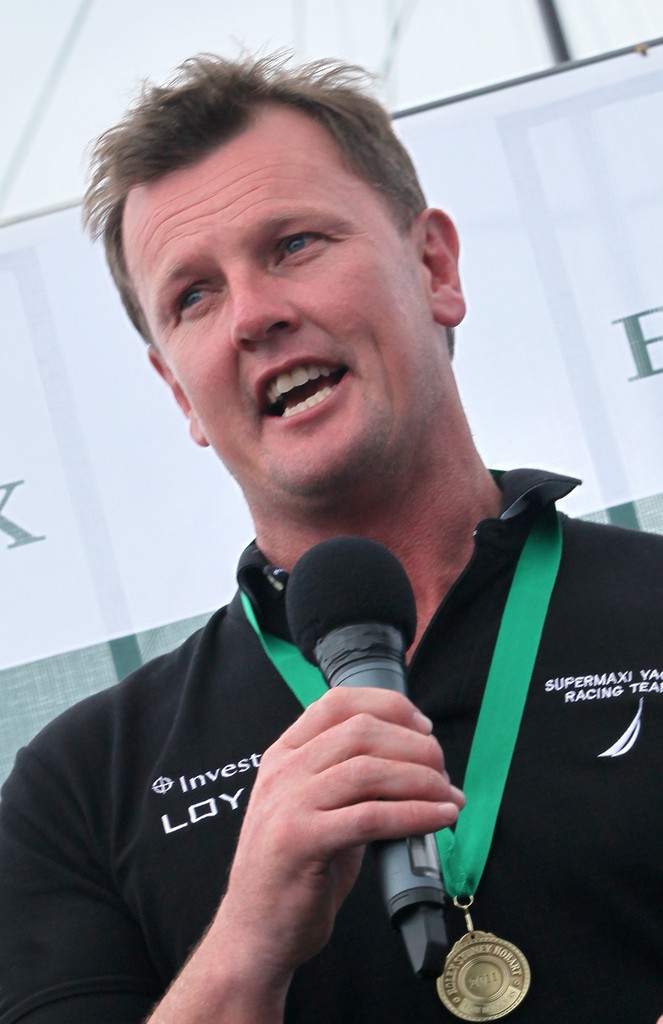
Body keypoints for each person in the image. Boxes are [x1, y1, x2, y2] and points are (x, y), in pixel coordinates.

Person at [0, 52, 661, 1024]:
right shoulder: (74, 791)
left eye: (294, 243)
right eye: (193, 295)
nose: (255, 316)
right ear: (179, 390)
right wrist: (248, 939)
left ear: (435, 266)